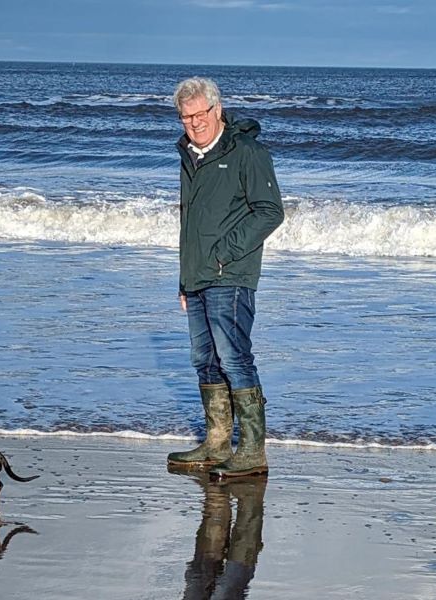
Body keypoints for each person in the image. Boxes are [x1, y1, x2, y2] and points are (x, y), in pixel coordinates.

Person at [167, 77, 284, 478]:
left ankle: (252, 451)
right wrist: (185, 277)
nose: (195, 123)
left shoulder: (247, 152)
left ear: (217, 110)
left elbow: (270, 211)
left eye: (201, 114)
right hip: (197, 276)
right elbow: (189, 221)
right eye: (187, 117)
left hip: (231, 275)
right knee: (205, 360)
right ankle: (217, 444)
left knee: (234, 358)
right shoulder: (189, 155)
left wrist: (223, 256)